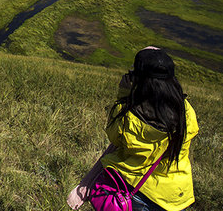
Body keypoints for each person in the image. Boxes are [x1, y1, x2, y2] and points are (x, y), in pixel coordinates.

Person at [67, 47, 198, 211]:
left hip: (135, 191)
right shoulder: (186, 111)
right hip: (175, 196)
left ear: (140, 79)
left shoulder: (130, 116)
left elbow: (114, 138)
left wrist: (123, 95)